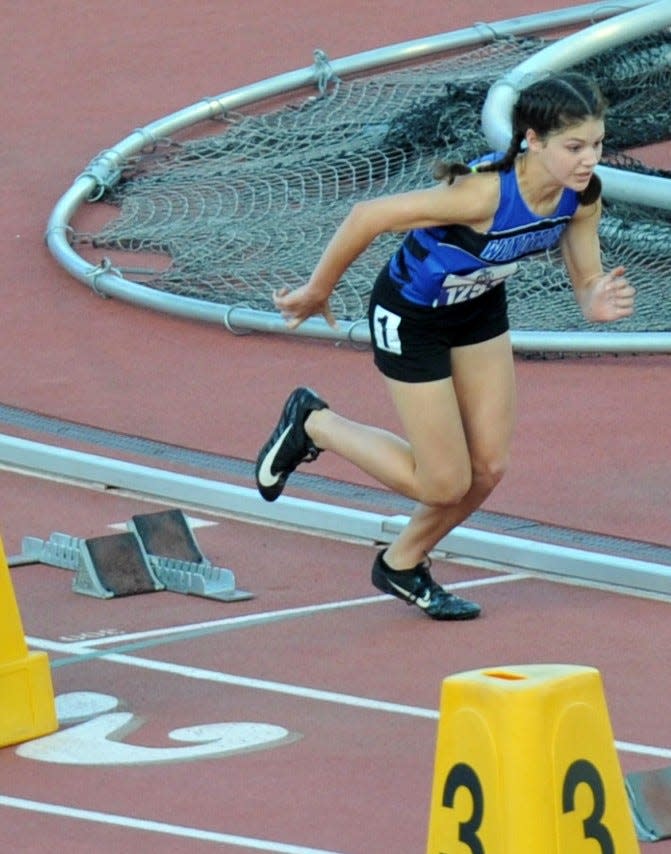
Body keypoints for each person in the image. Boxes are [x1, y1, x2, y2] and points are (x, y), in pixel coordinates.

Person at [254, 71, 635, 621]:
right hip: (411, 317)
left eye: (597, 144)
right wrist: (318, 289)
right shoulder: (482, 194)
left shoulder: (581, 198)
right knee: (444, 481)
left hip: (477, 312)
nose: (588, 159)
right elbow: (369, 216)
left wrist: (595, 299)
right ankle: (313, 422)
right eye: (574, 147)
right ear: (531, 139)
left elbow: (585, 278)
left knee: (487, 469)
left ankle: (402, 563)